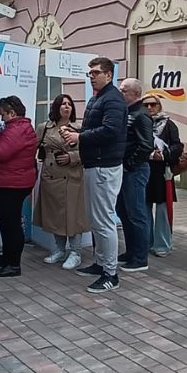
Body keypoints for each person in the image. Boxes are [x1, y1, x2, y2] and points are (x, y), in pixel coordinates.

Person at [62, 57, 127, 293]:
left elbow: (110, 131)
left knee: (104, 221)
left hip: (104, 166)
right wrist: (77, 131)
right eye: (89, 73)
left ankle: (111, 273)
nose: (91, 76)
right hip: (94, 164)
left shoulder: (112, 99)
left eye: (96, 73)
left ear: (108, 75)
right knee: (96, 219)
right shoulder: (99, 97)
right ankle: (101, 264)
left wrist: (79, 137)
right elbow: (95, 128)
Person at [0, 96, 39, 277]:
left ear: (12, 113)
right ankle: (7, 257)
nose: (1, 118)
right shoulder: (19, 128)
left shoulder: (17, 129)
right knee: (7, 223)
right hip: (11, 182)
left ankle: (13, 264)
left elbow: (1, 152)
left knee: (11, 224)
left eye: (3, 114)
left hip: (12, 185)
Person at [34, 94, 89, 270]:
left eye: (69, 104)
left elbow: (89, 153)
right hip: (51, 175)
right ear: (56, 107)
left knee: (73, 215)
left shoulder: (79, 129)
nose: (67, 107)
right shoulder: (44, 128)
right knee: (54, 216)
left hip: (72, 177)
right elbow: (34, 148)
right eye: (63, 104)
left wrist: (72, 157)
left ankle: (75, 252)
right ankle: (59, 249)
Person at [114, 79, 155, 273]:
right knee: (124, 212)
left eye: (124, 91)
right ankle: (131, 252)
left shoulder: (141, 115)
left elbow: (146, 145)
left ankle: (140, 258)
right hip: (123, 170)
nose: (120, 93)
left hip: (135, 171)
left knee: (137, 214)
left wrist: (129, 165)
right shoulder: (127, 113)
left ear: (135, 94)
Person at [143, 94, 182, 258]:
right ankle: (146, 242)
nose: (150, 108)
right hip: (143, 170)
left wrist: (165, 154)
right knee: (143, 209)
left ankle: (162, 244)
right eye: (146, 105)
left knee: (162, 211)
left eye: (153, 104)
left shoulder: (169, 124)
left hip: (162, 172)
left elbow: (177, 146)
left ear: (159, 106)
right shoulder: (139, 123)